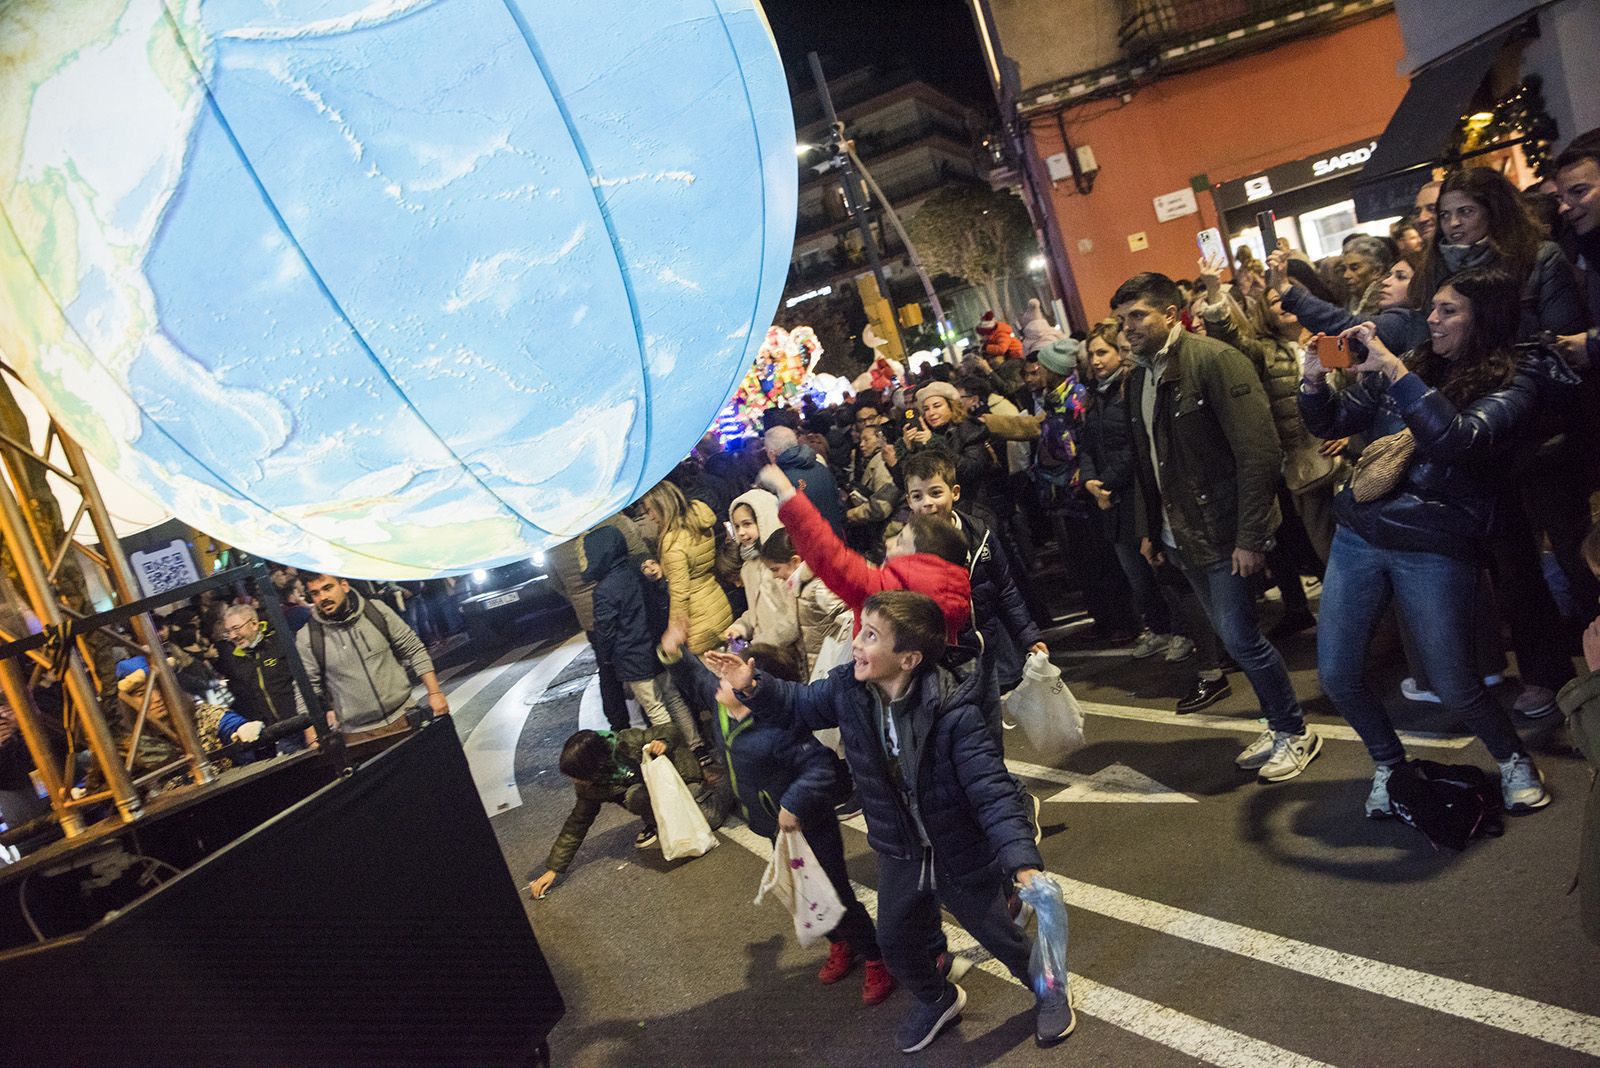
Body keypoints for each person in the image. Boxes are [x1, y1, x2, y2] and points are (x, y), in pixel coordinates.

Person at [704, 591, 1073, 1053]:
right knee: (895, 941)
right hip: (900, 849)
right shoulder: (848, 690)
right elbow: (797, 703)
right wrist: (751, 684)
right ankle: (937, 998)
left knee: (1002, 937)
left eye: (872, 636)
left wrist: (1022, 862)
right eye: (862, 631)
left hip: (955, 848)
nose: (857, 643)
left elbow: (991, 790)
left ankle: (1051, 991)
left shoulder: (953, 711)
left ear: (908, 659)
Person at [1299, 266, 1561, 815]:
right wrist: (1314, 382)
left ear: (1483, 319)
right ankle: (1389, 765)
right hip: (1360, 533)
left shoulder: (1516, 380)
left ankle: (1513, 759)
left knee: (1453, 681)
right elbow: (1334, 422)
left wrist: (1395, 370)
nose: (1432, 320)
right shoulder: (1415, 362)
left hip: (1435, 543)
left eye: (1448, 311)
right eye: (1433, 308)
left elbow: (1457, 440)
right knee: (1338, 675)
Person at [1112, 272, 1321, 781]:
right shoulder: (1139, 378)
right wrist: (1149, 530)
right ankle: (1279, 724)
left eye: (1137, 316)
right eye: (1121, 320)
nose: (1127, 329)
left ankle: (1294, 730)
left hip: (1222, 531)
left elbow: (1259, 453)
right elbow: (1148, 463)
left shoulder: (1215, 360)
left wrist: (1251, 536)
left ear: (1170, 313)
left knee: (1242, 639)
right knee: (1235, 638)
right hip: (1180, 534)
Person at [676, 641, 894, 1004]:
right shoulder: (723, 708)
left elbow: (822, 768)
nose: (718, 682)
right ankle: (839, 942)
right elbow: (696, 677)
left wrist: (793, 803)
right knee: (805, 893)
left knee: (834, 893)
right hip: (774, 827)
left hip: (811, 827)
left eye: (728, 678)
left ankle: (875, 957)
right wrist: (674, 652)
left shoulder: (779, 727)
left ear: (755, 688)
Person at [1078, 321, 1196, 664]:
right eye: (1092, 354)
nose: (1096, 360)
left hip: (1136, 495)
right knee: (1136, 576)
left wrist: (1106, 482)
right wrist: (1090, 480)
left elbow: (1136, 445)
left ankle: (1183, 631)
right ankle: (1158, 628)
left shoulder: (1131, 388)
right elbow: (1087, 445)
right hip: (1109, 501)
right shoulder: (1094, 396)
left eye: (1103, 352)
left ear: (1119, 353)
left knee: (1160, 569)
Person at [755, 464, 973, 647]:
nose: (888, 543)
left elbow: (831, 556)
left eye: (900, 542)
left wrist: (786, 491)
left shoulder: (890, 594)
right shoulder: (951, 592)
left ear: (921, 559)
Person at [901, 449, 1044, 695]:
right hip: (948, 663)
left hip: (989, 648)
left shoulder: (980, 534)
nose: (927, 503)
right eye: (917, 496)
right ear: (909, 502)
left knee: (994, 711)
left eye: (936, 493)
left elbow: (1006, 589)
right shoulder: (905, 551)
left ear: (955, 492)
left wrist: (1029, 636)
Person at [526, 724, 707, 898]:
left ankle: (713, 793)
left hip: (681, 777)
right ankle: (656, 822)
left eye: (577, 776)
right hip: (654, 792)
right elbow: (577, 824)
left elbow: (671, 729)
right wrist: (554, 869)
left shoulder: (626, 742)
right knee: (635, 798)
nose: (575, 782)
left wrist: (662, 742)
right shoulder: (589, 786)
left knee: (708, 820)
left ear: (594, 766)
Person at [1415, 166, 1587, 340]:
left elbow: (1562, 338)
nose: (1454, 223)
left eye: (1466, 211)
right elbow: (1425, 338)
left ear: (1494, 211)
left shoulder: (1539, 257)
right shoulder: (1434, 266)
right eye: (1445, 215)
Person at [584, 526, 707, 760]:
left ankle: (680, 756)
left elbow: (606, 631)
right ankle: (698, 747)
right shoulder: (638, 573)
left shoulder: (603, 591)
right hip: (656, 649)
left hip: (632, 659)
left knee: (655, 708)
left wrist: (607, 658)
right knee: (674, 699)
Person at [296, 573, 448, 736]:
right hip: (358, 734)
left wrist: (435, 693)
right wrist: (311, 734)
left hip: (406, 715)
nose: (323, 597)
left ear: (344, 586)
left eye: (328, 588)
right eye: (315, 593)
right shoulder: (308, 637)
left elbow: (413, 649)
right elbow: (305, 689)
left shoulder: (376, 610)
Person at [548, 515, 650, 732]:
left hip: (590, 616)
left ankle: (619, 726)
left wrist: (578, 597)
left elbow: (556, 583)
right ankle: (653, 717)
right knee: (641, 657)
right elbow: (639, 552)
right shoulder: (609, 519)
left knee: (607, 669)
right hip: (626, 604)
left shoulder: (555, 540)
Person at [642, 480, 734, 657]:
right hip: (717, 600)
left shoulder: (672, 541)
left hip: (698, 618)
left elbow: (680, 593)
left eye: (650, 510)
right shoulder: (697, 522)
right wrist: (665, 569)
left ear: (662, 505)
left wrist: (674, 631)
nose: (650, 517)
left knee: (712, 669)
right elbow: (695, 565)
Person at [758, 528, 851, 680]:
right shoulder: (801, 586)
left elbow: (849, 621)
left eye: (776, 569)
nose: (774, 576)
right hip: (820, 666)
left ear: (795, 561)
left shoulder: (818, 587)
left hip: (834, 668)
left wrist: (840, 655)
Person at [724, 489, 800, 654]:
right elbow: (756, 612)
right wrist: (740, 627)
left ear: (764, 520)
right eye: (737, 526)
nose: (741, 532)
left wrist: (758, 645)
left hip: (787, 651)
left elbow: (793, 620)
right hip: (765, 651)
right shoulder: (748, 568)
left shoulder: (782, 566)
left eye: (747, 524)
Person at [902, 382, 1000, 504]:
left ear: (951, 406)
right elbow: (910, 482)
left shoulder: (970, 429)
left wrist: (935, 443)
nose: (931, 413)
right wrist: (909, 449)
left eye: (937, 406)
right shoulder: (925, 434)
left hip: (972, 502)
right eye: (926, 409)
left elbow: (971, 470)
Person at [766, 425, 846, 537]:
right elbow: (838, 503)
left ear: (772, 454)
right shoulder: (820, 466)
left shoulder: (781, 481)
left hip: (809, 542)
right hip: (834, 537)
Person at [843, 419, 901, 553]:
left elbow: (882, 506)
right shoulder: (870, 462)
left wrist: (851, 515)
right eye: (860, 440)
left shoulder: (883, 464)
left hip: (888, 532)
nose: (861, 445)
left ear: (881, 439)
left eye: (866, 440)